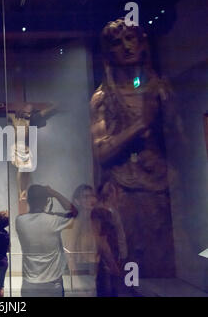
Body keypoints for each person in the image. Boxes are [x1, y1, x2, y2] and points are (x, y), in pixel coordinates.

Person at [90, 18, 176, 277]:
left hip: (159, 188)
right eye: (117, 42)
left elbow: (178, 143)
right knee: (124, 266)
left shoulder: (160, 91)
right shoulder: (103, 98)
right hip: (121, 192)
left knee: (161, 265)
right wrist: (140, 125)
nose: (126, 47)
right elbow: (102, 152)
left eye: (131, 39)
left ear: (142, 44)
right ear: (108, 52)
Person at [16, 184, 78, 297]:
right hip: (52, 283)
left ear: (29, 201)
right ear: (46, 201)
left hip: (29, 283)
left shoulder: (20, 221)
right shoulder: (54, 220)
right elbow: (74, 212)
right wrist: (53, 193)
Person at [62, 184, 98, 274]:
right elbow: (69, 253)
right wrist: (75, 278)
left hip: (96, 270)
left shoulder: (96, 222)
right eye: (86, 197)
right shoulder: (74, 223)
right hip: (81, 270)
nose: (91, 200)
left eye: (92, 196)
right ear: (77, 201)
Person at [91, 207, 121, 297]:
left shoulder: (104, 234)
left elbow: (104, 246)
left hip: (107, 268)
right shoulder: (109, 233)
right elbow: (104, 246)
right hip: (107, 267)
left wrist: (114, 268)